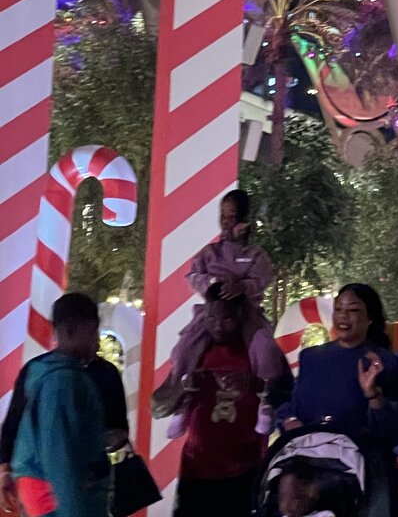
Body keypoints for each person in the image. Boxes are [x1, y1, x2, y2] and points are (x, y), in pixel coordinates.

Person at [156, 190, 281, 435]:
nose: (226, 222)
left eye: (232, 216)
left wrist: (242, 287)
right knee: (185, 347)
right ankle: (181, 397)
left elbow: (263, 279)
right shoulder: (209, 253)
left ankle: (266, 400)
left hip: (246, 312)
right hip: (211, 312)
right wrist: (213, 284)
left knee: (265, 347)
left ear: (244, 219)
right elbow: (193, 276)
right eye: (223, 216)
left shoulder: (255, 254)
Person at [277, 283, 398, 511]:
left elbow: (396, 430)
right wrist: (289, 421)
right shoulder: (311, 357)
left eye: (353, 310)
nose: (343, 316)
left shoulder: (385, 363)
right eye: (338, 309)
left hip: (363, 469)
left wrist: (373, 395)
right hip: (309, 462)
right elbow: (291, 407)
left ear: (370, 318)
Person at [176, 288, 292, 517]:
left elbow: (286, 395)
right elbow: (166, 400)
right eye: (211, 318)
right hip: (195, 467)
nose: (218, 326)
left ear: (241, 314)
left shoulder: (261, 352)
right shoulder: (196, 349)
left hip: (243, 469)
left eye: (226, 318)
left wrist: (259, 388)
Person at [0, 319, 128, 511]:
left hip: (63, 481)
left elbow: (119, 428)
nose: (97, 340)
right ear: (70, 332)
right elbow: (14, 423)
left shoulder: (103, 372)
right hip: (59, 484)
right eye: (92, 333)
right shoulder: (49, 374)